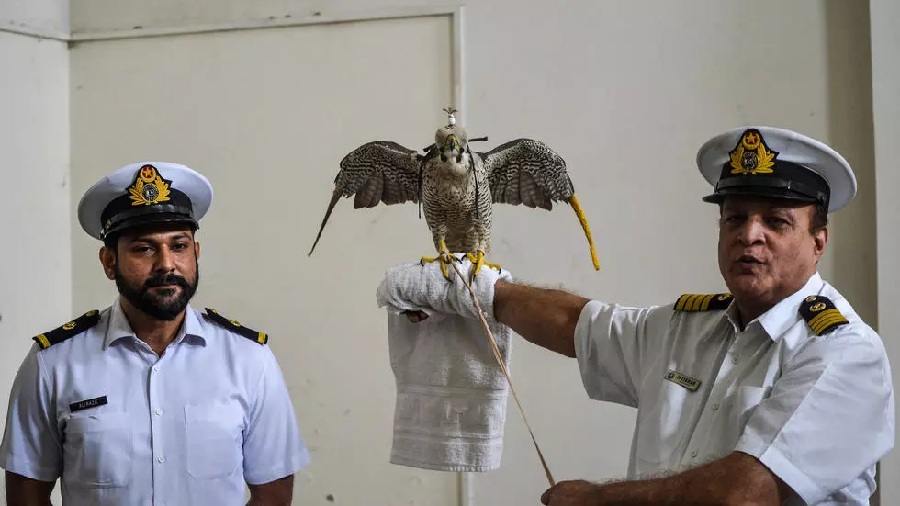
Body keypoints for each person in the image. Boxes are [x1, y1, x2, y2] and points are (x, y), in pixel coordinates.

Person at [377, 127, 894, 505]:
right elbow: (578, 325)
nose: (749, 235)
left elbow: (745, 494)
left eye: (776, 222)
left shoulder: (844, 354)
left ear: (818, 241)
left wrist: (598, 501)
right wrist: (476, 289)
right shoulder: (690, 327)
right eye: (734, 218)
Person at [0, 162, 310, 506]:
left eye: (179, 246)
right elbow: (26, 495)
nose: (166, 263)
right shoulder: (53, 363)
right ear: (108, 262)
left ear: (196, 253)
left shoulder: (250, 360)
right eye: (144, 249)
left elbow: (273, 494)